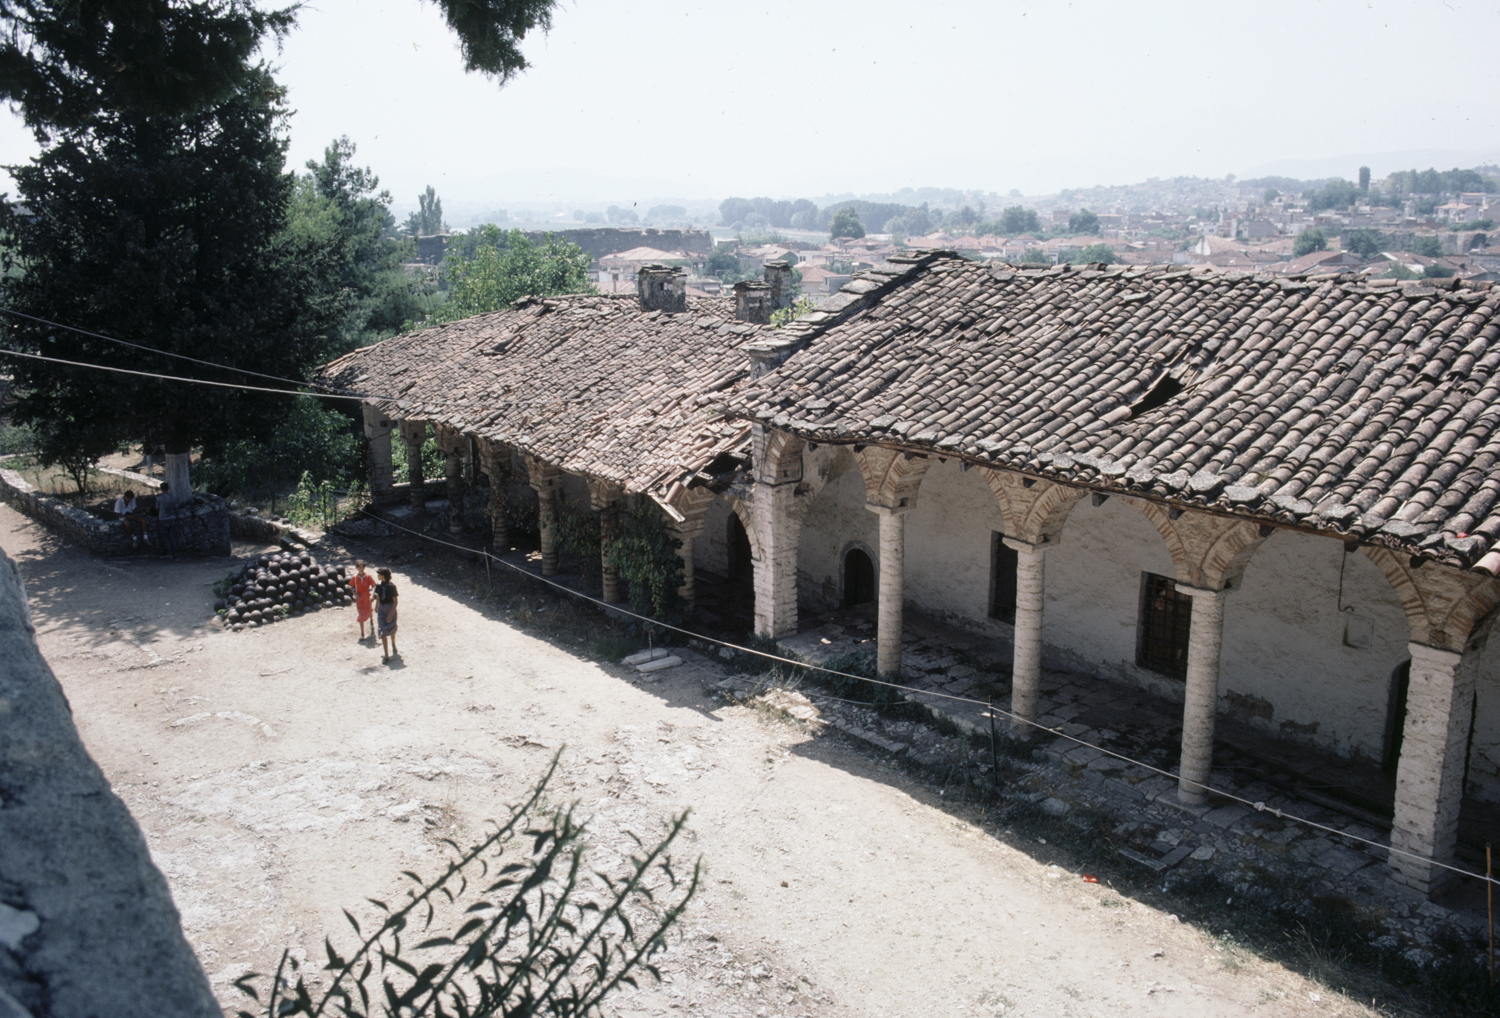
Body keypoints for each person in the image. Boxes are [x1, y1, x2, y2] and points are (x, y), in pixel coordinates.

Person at [374, 567, 399, 662]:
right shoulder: (378, 585)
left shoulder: (391, 587)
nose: (378, 576)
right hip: (381, 609)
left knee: (392, 629)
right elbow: (378, 596)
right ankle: (386, 655)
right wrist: (376, 606)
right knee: (382, 631)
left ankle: (393, 644)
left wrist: (391, 614)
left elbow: (395, 601)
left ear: (383, 575)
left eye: (379, 574)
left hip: (390, 609)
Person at [349, 560, 376, 640]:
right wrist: (355, 594)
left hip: (367, 597)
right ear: (357, 568)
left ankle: (371, 622)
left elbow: (373, 585)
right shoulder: (354, 577)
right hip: (359, 598)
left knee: (369, 610)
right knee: (361, 615)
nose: (361, 569)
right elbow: (351, 587)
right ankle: (362, 634)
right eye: (359, 567)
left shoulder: (368, 576)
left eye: (362, 567)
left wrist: (372, 595)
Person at [155, 482, 179, 559]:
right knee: (172, 536)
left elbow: (157, 509)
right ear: (168, 488)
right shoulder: (171, 497)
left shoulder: (159, 498)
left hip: (162, 519)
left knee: (165, 537)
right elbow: (176, 507)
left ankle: (169, 553)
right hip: (171, 518)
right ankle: (175, 552)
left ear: (161, 489)